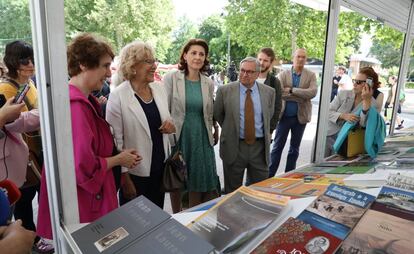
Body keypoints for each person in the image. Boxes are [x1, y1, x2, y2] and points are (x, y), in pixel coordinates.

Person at [36, 33, 140, 243]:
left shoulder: (81, 100)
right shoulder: (75, 106)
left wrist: (117, 155)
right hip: (84, 206)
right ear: (83, 65)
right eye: (104, 65)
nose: (109, 73)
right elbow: (84, 166)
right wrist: (119, 160)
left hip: (85, 201)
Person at [106, 41, 175, 209]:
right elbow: (116, 142)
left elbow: (169, 120)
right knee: (136, 223)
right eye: (148, 61)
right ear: (132, 66)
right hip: (135, 173)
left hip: (160, 168)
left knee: (157, 217)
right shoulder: (118, 96)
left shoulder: (159, 89)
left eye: (154, 61)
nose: (154, 66)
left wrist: (170, 126)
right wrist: (125, 178)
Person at [164, 38, 219, 211]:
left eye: (201, 54)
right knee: (178, 177)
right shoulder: (172, 78)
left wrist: (215, 128)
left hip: (202, 137)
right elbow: (164, 108)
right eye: (193, 53)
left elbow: (209, 111)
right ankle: (177, 215)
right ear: (185, 56)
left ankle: (195, 215)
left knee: (199, 177)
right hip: (180, 135)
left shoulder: (208, 82)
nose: (197, 57)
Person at [0, 40, 43, 245]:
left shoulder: (30, 82)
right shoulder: (6, 88)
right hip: (20, 155)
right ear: (13, 61)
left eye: (32, 59)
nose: (31, 64)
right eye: (25, 59)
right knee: (24, 199)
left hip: (33, 149)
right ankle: (30, 240)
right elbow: (19, 122)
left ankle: (33, 237)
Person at [214, 57, 276, 194]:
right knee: (232, 192)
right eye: (242, 70)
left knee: (260, 191)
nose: (244, 74)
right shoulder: (224, 91)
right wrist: (232, 129)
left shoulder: (269, 92)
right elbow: (219, 115)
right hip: (234, 147)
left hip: (259, 149)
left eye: (249, 71)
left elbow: (269, 115)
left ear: (257, 74)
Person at [269, 48, 317, 176]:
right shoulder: (283, 75)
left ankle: (289, 175)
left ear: (306, 59)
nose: (301, 59)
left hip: (300, 118)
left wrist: (291, 91)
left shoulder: (311, 75)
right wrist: (302, 95)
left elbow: (312, 93)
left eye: (303, 57)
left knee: (294, 149)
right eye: (298, 57)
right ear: (293, 57)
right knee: (277, 148)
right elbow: (279, 93)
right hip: (284, 117)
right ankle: (269, 175)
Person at [326, 67, 377, 156]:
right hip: (328, 135)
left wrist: (366, 101)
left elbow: (363, 124)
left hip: (348, 141)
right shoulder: (343, 93)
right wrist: (343, 116)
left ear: (369, 84)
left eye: (359, 82)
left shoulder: (372, 103)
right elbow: (327, 112)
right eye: (354, 80)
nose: (354, 84)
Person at [257, 47, 282, 128]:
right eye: (260, 59)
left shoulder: (275, 82)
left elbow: (277, 107)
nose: (261, 63)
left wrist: (270, 129)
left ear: (271, 63)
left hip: (264, 128)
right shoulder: (247, 77)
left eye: (265, 60)